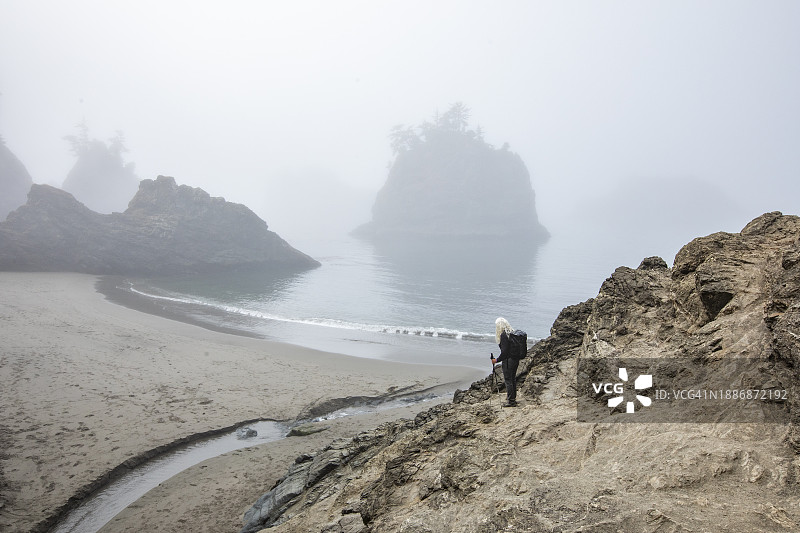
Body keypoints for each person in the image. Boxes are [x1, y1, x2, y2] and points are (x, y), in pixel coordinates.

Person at [491, 317, 518, 407]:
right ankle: (513, 398)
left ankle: (511, 401)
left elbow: (504, 352)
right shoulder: (512, 332)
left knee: (508, 380)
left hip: (508, 360)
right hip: (515, 359)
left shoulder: (503, 335)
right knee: (513, 379)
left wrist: (496, 360)